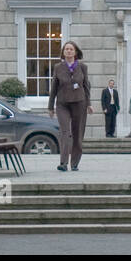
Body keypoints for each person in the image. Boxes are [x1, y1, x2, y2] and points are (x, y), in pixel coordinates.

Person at [47, 40, 91, 171]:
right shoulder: (58, 67)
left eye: (71, 49)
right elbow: (54, 87)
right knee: (65, 132)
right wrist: (50, 107)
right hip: (62, 104)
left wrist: (89, 104)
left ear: (75, 52)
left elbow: (86, 86)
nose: (69, 51)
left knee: (78, 133)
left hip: (80, 103)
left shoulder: (83, 67)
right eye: (66, 49)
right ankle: (63, 163)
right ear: (63, 52)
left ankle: (75, 163)